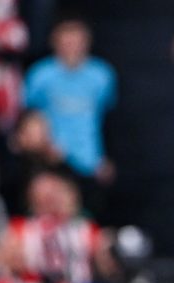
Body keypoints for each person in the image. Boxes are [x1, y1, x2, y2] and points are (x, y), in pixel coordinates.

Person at [24, 18, 117, 219]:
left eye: (76, 40)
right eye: (66, 41)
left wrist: (105, 157)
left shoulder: (101, 75)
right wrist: (43, 148)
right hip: (53, 159)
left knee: (89, 220)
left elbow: (109, 120)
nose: (71, 46)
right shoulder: (40, 76)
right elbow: (29, 118)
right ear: (54, 42)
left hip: (89, 162)